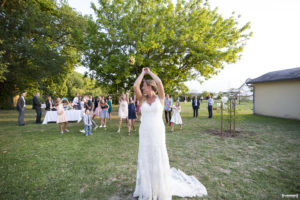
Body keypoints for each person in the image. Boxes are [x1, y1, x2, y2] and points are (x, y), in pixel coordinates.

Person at [133, 68, 207, 199]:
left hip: (157, 131)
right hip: (144, 131)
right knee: (146, 156)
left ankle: (159, 186)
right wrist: (142, 74)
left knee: (157, 155)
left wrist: (149, 72)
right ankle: (148, 186)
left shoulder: (160, 98)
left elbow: (160, 82)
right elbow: (135, 85)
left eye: (144, 86)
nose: (142, 88)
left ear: (150, 87)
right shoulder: (142, 99)